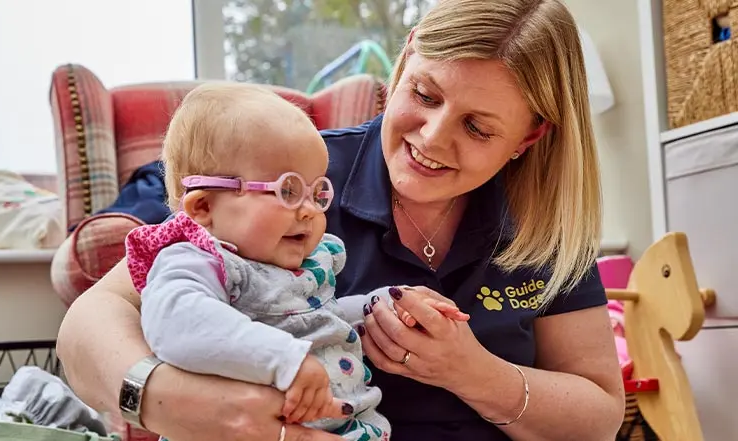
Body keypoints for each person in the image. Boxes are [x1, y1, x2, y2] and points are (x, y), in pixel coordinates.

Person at [56, 0, 626, 440]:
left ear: (529, 136)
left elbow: (600, 418)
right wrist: (168, 398)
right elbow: (89, 326)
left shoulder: (545, 228)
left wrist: (472, 372)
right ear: (403, 62)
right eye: (423, 94)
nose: (431, 138)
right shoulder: (289, 179)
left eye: (477, 128)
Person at [122, 83, 467, 440]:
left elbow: (317, 319)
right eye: (287, 190)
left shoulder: (301, 263)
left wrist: (379, 307)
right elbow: (179, 323)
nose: (310, 211)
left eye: (317, 192)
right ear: (204, 207)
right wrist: (284, 359)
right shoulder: (198, 261)